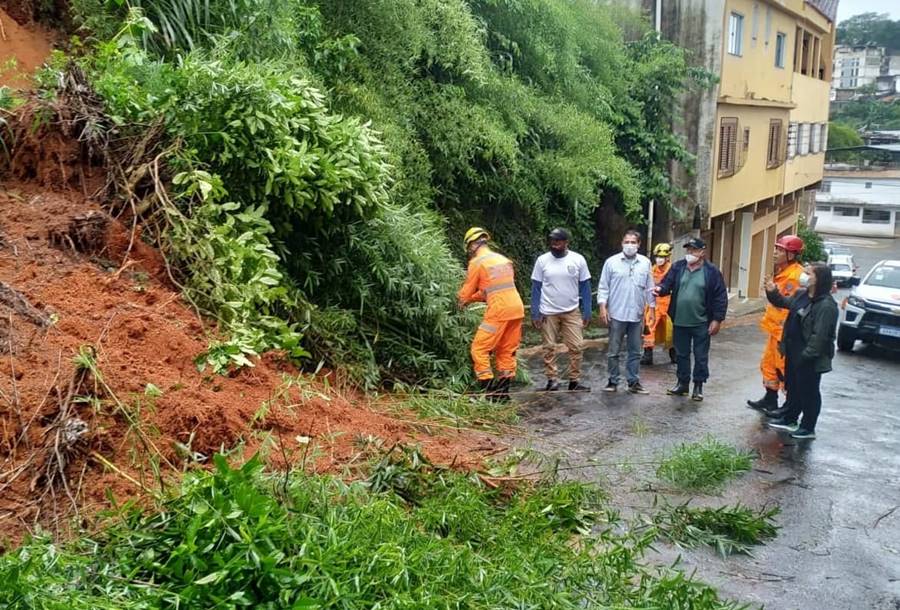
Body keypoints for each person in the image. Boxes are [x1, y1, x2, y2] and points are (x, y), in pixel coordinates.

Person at [765, 262, 838, 439]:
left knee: (809, 392)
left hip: (809, 356)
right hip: (793, 350)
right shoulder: (802, 295)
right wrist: (772, 291)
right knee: (794, 388)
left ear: (819, 279)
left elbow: (819, 336)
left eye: (808, 274)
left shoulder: (826, 306)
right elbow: (783, 302)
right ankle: (790, 418)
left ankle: (808, 427)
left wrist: (806, 355)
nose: (803, 276)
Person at [655, 237, 728, 401]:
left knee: (700, 355)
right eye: (688, 250)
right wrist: (660, 289)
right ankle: (682, 384)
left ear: (702, 252)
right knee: (681, 354)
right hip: (680, 320)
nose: (690, 253)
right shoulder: (678, 267)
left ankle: (698, 386)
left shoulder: (711, 272)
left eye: (693, 250)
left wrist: (717, 319)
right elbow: (667, 283)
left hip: (702, 322)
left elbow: (720, 297)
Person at [457, 227, 525, 402]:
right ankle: (503, 393)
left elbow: (466, 291)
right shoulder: (503, 260)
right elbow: (490, 289)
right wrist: (472, 299)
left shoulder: (477, 263)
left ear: (471, 245)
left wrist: (461, 301)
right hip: (516, 308)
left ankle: (488, 392)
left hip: (499, 310)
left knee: (479, 349)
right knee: (506, 351)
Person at [747, 235, 805, 414]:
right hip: (775, 329)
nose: (775, 253)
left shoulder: (795, 276)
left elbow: (789, 303)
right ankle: (770, 399)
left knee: (784, 369)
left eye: (780, 250)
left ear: (791, 254)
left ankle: (790, 407)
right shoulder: (782, 271)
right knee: (768, 365)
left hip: (784, 332)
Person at [531, 228, 592, 392]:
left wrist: (587, 310)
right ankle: (552, 379)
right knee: (549, 347)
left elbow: (585, 286)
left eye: (558, 241)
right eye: (552, 241)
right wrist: (535, 312)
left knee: (576, 346)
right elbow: (536, 287)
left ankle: (574, 380)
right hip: (548, 311)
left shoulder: (578, 260)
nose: (554, 244)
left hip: (571, 310)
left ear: (566, 242)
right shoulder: (542, 261)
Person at [597, 229, 656, 394]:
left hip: (637, 315)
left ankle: (633, 382)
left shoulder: (645, 263)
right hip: (616, 314)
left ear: (639, 245)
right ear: (622, 243)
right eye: (627, 242)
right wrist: (603, 308)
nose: (630, 245)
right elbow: (603, 286)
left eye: (633, 242)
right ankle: (612, 381)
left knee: (635, 351)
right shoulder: (611, 263)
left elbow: (649, 287)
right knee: (613, 351)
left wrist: (651, 309)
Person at [641, 242, 676, 366]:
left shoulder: (673, 270)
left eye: (662, 257)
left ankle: (674, 354)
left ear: (668, 257)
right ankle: (648, 354)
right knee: (649, 329)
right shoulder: (652, 269)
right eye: (657, 256)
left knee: (671, 330)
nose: (659, 259)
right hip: (653, 305)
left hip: (668, 304)